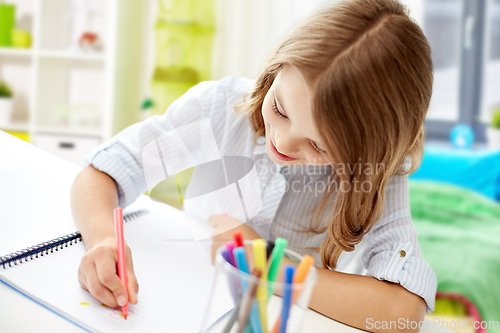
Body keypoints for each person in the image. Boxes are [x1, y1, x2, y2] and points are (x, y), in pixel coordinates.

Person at [71, 0, 437, 331]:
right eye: (279, 108)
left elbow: (403, 310)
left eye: (318, 145)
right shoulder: (219, 107)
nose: (282, 141)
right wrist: (103, 239)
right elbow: (102, 171)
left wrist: (262, 263)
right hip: (179, 299)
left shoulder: (375, 175)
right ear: (276, 69)